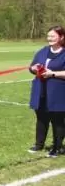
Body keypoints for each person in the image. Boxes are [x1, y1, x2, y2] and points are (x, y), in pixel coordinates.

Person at [28, 25, 65, 157]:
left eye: (53, 36)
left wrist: (52, 73)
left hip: (58, 92)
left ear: (61, 37)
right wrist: (33, 68)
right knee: (41, 118)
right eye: (48, 36)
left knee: (57, 121)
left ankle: (57, 147)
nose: (50, 38)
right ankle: (39, 144)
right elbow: (32, 67)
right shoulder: (42, 51)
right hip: (40, 90)